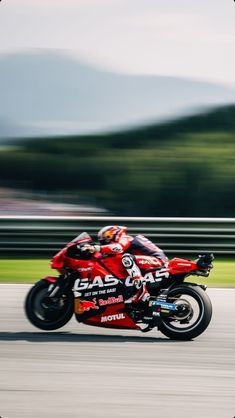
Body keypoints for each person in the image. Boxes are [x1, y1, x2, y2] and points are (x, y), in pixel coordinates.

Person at [81, 225, 168, 304]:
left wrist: (96, 248)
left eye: (107, 237)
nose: (106, 242)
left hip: (158, 260)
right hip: (148, 261)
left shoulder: (125, 238)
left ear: (113, 233)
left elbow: (118, 248)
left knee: (126, 258)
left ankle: (142, 290)